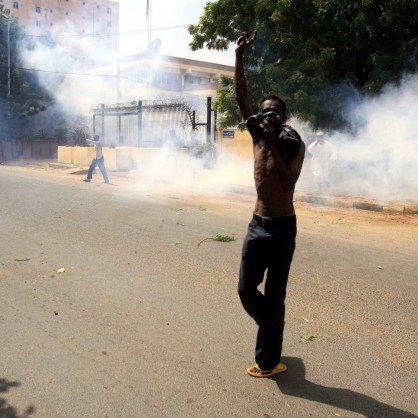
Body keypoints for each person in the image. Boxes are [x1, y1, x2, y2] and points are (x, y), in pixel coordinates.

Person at [235, 30, 305, 378]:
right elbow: (241, 95)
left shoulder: (293, 143)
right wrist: (238, 56)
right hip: (256, 224)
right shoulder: (257, 134)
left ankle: (268, 361)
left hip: (282, 228)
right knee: (246, 289)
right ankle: (274, 321)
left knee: (275, 292)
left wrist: (274, 140)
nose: (268, 116)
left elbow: (287, 181)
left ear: (284, 117)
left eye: (275, 113)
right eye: (265, 113)